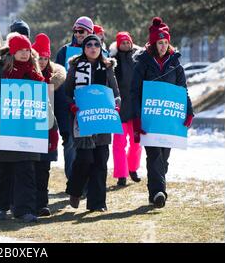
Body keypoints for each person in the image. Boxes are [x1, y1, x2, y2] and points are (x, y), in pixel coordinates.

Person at [131, 17, 194, 208]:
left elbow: (183, 90)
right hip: (149, 118)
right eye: (160, 42)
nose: (163, 46)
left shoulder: (176, 63)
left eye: (166, 42)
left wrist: (189, 111)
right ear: (153, 43)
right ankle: (159, 192)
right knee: (154, 155)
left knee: (164, 156)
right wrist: (136, 120)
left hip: (169, 119)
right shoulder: (142, 63)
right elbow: (135, 92)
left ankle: (155, 188)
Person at [0, 34, 46, 223]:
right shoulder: (0, 70)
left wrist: (49, 128)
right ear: (12, 51)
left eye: (27, 50)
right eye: (20, 50)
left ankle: (24, 210)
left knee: (26, 171)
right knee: (2, 170)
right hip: (4, 130)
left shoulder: (34, 72)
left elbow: (42, 101)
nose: (24, 54)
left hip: (28, 131)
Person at [65, 34, 121, 212]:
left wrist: (116, 106)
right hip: (82, 121)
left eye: (97, 44)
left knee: (100, 161)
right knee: (84, 159)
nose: (93, 47)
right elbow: (66, 93)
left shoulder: (107, 66)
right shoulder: (75, 66)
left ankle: (97, 203)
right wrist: (73, 106)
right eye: (89, 44)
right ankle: (75, 190)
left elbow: (116, 92)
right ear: (84, 48)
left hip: (104, 121)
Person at [55, 16, 94, 180]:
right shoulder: (64, 51)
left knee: (87, 145)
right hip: (67, 106)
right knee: (70, 142)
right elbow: (55, 79)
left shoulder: (97, 51)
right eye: (75, 31)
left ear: (90, 32)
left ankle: (85, 181)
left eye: (82, 31)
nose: (78, 34)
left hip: (89, 105)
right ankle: (73, 181)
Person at [32, 33, 64, 216]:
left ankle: (42, 203)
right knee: (30, 168)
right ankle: (28, 202)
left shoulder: (56, 78)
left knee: (44, 168)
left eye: (45, 58)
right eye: (40, 57)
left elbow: (60, 106)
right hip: (29, 127)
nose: (42, 61)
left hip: (48, 128)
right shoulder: (28, 74)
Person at [110, 32, 143, 186]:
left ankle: (132, 168)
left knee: (137, 142)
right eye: (122, 43)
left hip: (135, 108)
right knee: (119, 143)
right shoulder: (112, 61)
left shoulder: (138, 59)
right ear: (118, 45)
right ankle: (121, 174)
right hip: (120, 109)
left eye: (127, 42)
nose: (125, 45)